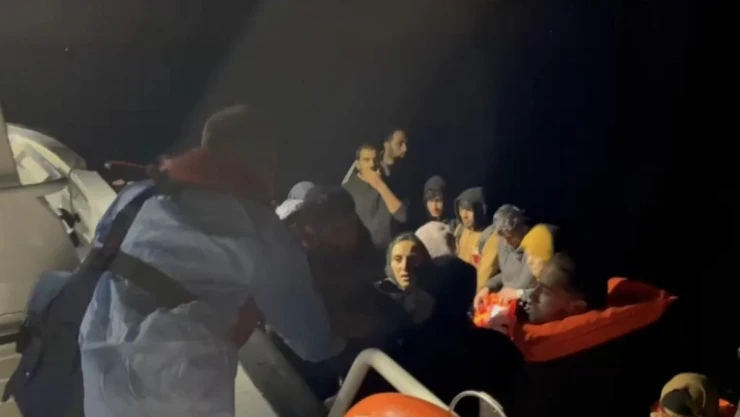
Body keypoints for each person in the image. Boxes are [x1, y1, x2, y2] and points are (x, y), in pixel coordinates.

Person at [79, 104, 340, 417]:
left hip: (99, 370)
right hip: (172, 392)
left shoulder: (140, 195)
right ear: (262, 159)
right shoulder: (263, 232)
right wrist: (344, 338)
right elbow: (311, 341)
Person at [473, 204, 557, 299]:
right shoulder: (503, 242)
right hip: (505, 302)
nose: (506, 242)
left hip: (530, 303)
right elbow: (507, 276)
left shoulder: (536, 245)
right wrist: (487, 287)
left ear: (523, 228)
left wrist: (519, 294)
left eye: (510, 237)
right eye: (503, 237)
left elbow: (550, 289)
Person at [343, 143, 407, 249]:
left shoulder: (390, 183)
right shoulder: (347, 189)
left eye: (375, 160)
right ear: (358, 165)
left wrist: (379, 185)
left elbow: (402, 216)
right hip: (362, 252)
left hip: (389, 250)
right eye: (366, 160)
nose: (372, 164)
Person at [452, 187, 491, 266]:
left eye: (468, 210)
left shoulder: (489, 237)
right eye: (461, 210)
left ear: (479, 211)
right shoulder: (460, 230)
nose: (464, 215)